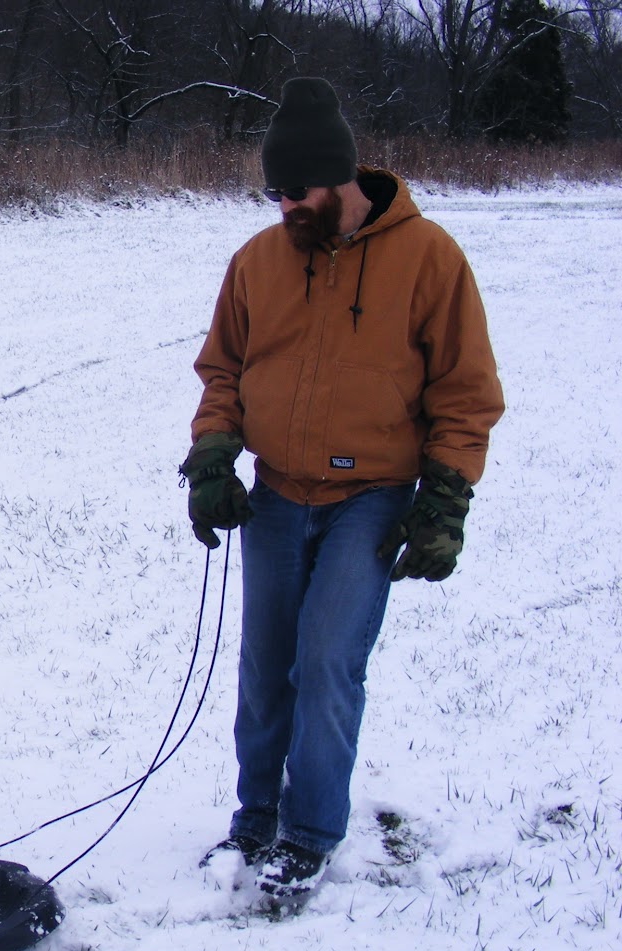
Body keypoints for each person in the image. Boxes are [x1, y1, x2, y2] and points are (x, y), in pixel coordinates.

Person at [182, 77, 504, 899]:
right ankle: (254, 817)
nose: (284, 204)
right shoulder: (259, 260)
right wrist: (214, 454)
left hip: (375, 498)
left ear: (341, 178)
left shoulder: (430, 259)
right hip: (277, 494)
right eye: (273, 190)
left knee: (327, 661)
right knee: (263, 668)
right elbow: (222, 370)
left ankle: (311, 831)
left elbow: (465, 394)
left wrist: (445, 503)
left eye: (297, 190)